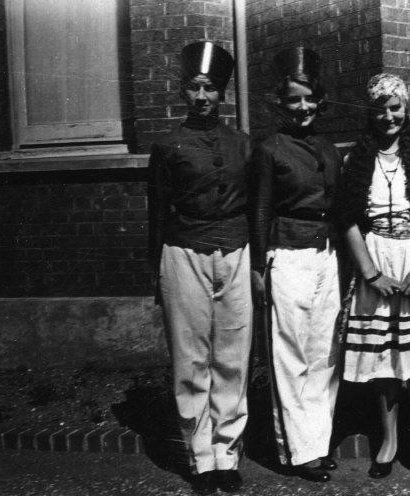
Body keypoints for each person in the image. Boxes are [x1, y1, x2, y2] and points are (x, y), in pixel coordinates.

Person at [336, 73, 410, 483]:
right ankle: (387, 441)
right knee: (383, 356)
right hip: (377, 260)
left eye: (395, 107)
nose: (388, 116)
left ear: (406, 107)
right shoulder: (356, 160)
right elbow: (348, 222)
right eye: (380, 110)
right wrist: (371, 274)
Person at [149, 41, 252, 495]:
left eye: (211, 88)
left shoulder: (243, 144)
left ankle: (227, 454)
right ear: (183, 91)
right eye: (195, 87)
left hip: (235, 253)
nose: (203, 96)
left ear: (223, 93)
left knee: (232, 356)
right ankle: (200, 458)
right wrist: (155, 273)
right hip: (183, 252)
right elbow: (156, 212)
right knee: (191, 359)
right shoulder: (167, 146)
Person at [249, 46, 342, 483]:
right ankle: (299, 450)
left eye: (309, 99)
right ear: (280, 103)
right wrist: (258, 266)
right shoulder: (269, 149)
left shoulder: (328, 148)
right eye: (293, 100)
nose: (302, 108)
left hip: (328, 256)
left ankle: (319, 443)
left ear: (319, 101)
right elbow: (260, 208)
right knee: (291, 355)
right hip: (286, 255)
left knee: (325, 353)